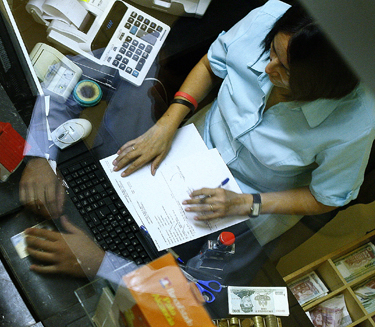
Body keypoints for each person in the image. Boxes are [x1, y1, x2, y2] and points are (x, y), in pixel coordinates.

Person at [112, 0, 375, 245]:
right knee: (117, 208)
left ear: (323, 84)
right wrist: (166, 125)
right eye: (271, 51)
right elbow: (210, 65)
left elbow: (326, 198)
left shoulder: (357, 120)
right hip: (199, 141)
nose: (269, 69)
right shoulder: (266, 17)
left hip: (258, 198)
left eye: (285, 70)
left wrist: (246, 203)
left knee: (172, 260)